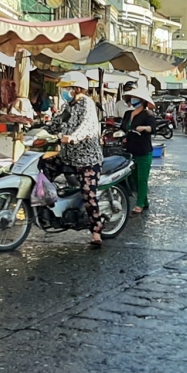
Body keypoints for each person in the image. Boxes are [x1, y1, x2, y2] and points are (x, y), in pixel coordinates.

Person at [44, 71, 106, 246]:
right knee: (43, 169)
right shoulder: (68, 107)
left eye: (67, 88)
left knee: (89, 195)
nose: (64, 92)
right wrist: (37, 130)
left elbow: (87, 125)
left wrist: (73, 137)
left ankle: (96, 231)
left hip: (88, 160)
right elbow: (55, 123)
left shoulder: (87, 104)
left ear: (78, 88)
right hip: (67, 156)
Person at [121, 87, 157, 214]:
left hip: (144, 150)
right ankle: (144, 200)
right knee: (133, 178)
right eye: (131, 98)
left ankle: (139, 204)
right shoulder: (127, 114)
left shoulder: (148, 114)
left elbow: (153, 128)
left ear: (142, 100)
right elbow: (123, 128)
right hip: (130, 150)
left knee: (142, 178)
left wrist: (144, 128)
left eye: (135, 98)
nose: (132, 100)